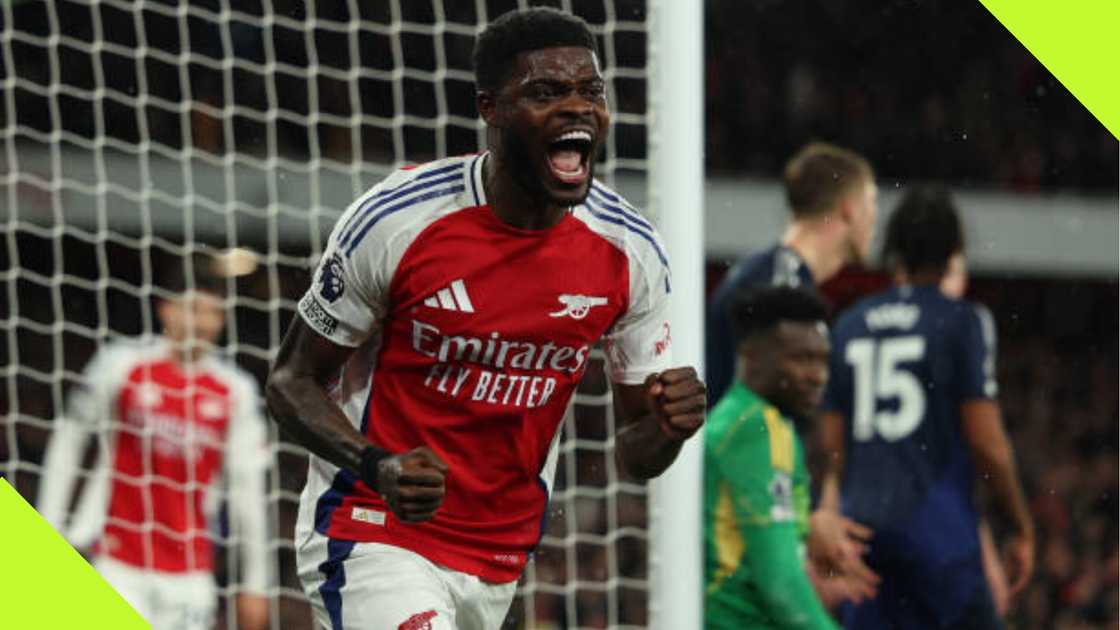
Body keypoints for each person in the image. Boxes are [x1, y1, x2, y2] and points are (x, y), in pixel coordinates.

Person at [265, 7, 706, 630]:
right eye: (546, 92)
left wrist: (669, 426)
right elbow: (291, 382)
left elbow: (634, 456)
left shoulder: (631, 251)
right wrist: (377, 465)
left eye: (591, 91)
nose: (578, 107)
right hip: (373, 530)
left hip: (499, 556)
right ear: (490, 109)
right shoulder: (400, 220)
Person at [817, 186, 1035, 629]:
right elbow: (987, 443)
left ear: (894, 249)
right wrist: (1020, 525)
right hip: (938, 535)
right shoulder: (962, 321)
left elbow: (833, 446)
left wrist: (836, 511)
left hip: (866, 537)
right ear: (954, 251)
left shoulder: (849, 324)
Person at [37, 261, 272, 630]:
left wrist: (257, 584)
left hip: (190, 573)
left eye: (214, 313)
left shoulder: (235, 391)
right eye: (195, 309)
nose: (204, 323)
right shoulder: (122, 364)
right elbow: (69, 441)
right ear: (167, 308)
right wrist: (47, 530)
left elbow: (249, 494)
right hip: (114, 559)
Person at [704, 287, 876, 630]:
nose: (818, 376)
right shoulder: (757, 429)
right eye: (801, 358)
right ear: (750, 353)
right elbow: (781, 587)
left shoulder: (737, 419)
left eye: (823, 360)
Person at [705, 142, 878, 406]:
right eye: (871, 202)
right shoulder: (781, 287)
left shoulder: (764, 273)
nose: (876, 217)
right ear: (849, 209)